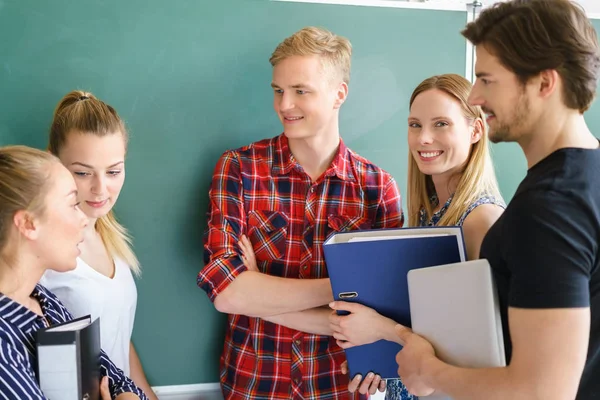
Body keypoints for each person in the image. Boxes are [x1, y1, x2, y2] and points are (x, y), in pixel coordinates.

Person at [393, 1, 600, 399]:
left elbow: (540, 391)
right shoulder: (580, 180)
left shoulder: (549, 209)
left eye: (487, 80)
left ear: (543, 83)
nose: (475, 95)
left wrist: (429, 370)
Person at [197, 26, 404, 399]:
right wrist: (341, 295)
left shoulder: (377, 189)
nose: (284, 105)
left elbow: (383, 314)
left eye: (300, 92)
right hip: (254, 382)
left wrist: (261, 291)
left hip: (339, 385)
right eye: (278, 90)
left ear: (339, 94)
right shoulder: (239, 169)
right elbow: (228, 293)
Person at [326, 73, 505, 398]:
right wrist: (379, 356)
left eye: (440, 124)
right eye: (414, 124)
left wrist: (380, 329)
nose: (423, 138)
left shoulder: (481, 220)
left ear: (476, 130)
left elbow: (477, 350)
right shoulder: (430, 214)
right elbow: (429, 326)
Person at [0, 145, 147, 399]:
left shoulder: (46, 301)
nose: (83, 219)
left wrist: (127, 394)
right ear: (27, 224)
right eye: (72, 204)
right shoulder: (4, 348)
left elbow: (116, 377)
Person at [39, 90, 158, 399]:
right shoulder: (43, 253)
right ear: (53, 161)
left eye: (114, 171)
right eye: (82, 172)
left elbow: (119, 338)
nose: (100, 189)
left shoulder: (110, 235)